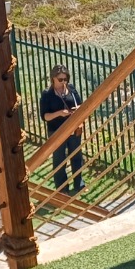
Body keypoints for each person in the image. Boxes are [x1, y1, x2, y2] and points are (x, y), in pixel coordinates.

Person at [39, 65, 84, 194]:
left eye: (65, 79)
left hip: (73, 128)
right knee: (59, 159)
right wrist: (59, 113)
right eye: (60, 79)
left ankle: (79, 183)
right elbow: (45, 116)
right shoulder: (47, 94)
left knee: (76, 156)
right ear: (53, 78)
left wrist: (77, 109)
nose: (63, 82)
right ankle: (62, 188)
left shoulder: (71, 89)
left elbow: (81, 104)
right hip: (56, 130)